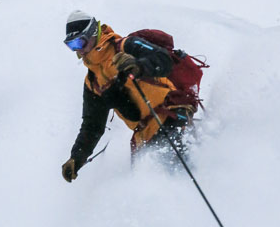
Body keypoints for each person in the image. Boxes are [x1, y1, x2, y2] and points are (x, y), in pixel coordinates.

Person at [61, 11, 196, 182]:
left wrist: (139, 66)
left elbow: (163, 60)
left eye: (79, 41)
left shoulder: (126, 46)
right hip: (145, 138)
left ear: (93, 33)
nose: (78, 50)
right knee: (155, 186)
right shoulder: (93, 82)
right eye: (72, 45)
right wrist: (77, 158)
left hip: (171, 117)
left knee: (185, 177)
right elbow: (92, 125)